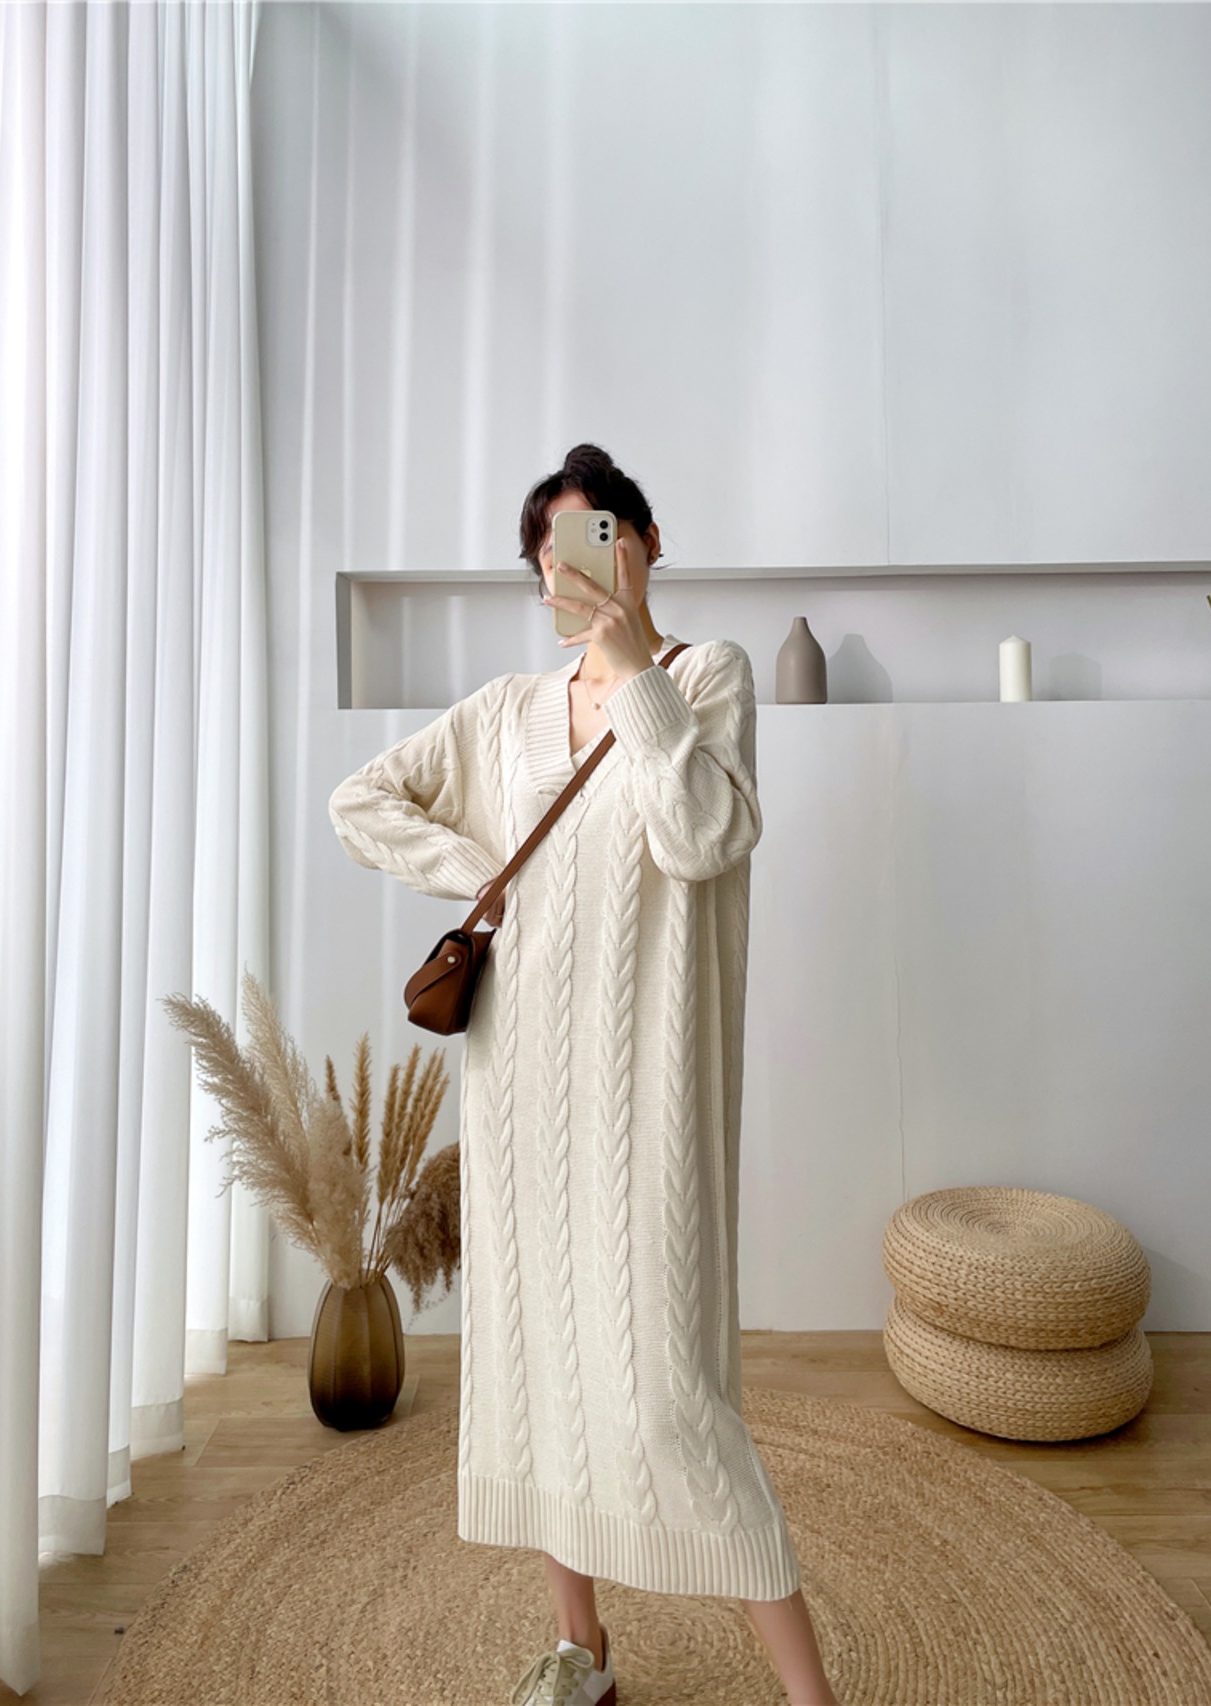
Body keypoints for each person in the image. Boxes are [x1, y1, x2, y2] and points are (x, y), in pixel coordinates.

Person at [328, 444, 840, 1706]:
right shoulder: (504, 710)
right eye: (549, 552)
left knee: (672, 1398)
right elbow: (362, 799)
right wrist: (480, 872)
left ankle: (808, 1696)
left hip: (648, 1105)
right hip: (517, 1095)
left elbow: (703, 834)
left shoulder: (704, 676)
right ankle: (581, 1648)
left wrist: (629, 672)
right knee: (539, 1371)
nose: (574, 566)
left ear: (646, 541)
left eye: (596, 535)